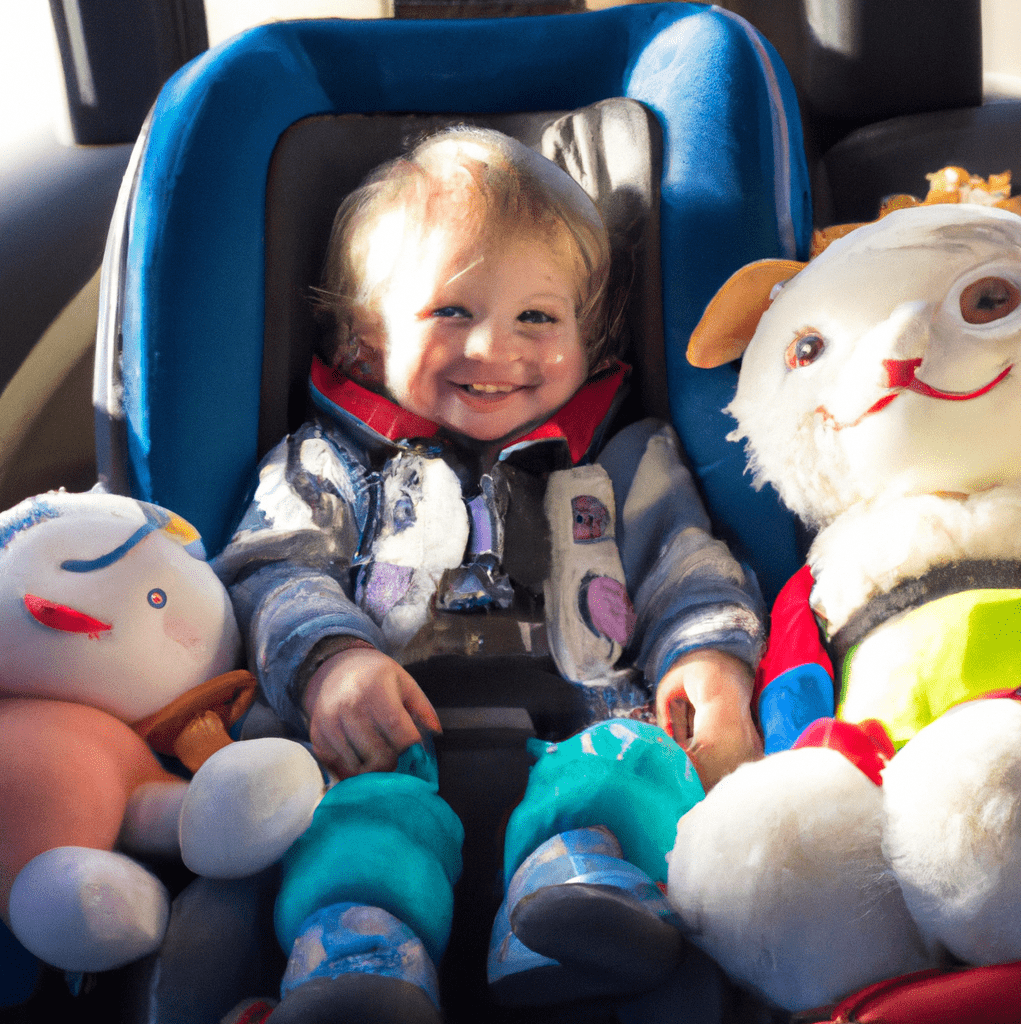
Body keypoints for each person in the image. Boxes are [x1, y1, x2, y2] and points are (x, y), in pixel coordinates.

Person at [214, 126, 765, 1023]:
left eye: (538, 319)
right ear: (364, 334)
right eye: (451, 314)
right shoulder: (324, 464)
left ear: (589, 336)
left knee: (634, 775)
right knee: (347, 829)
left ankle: (574, 902)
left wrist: (710, 663)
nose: (493, 349)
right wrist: (332, 663)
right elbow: (269, 570)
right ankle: (359, 952)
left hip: (588, 729)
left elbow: (687, 567)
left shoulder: (625, 459)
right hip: (382, 753)